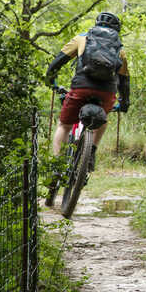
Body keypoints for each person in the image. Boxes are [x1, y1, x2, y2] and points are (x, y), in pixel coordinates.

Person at [45, 11, 130, 173]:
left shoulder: (81, 38)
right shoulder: (119, 48)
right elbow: (125, 82)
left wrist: (51, 80)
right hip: (106, 92)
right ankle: (90, 153)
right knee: (102, 121)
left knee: (64, 125)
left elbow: (57, 62)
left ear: (96, 24)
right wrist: (124, 103)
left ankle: (57, 165)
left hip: (81, 87)